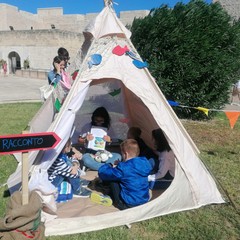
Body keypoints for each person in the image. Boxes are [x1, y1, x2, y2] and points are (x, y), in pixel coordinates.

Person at [98, 139, 152, 210]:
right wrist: (120, 164)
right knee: (128, 178)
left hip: (127, 204)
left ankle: (109, 195)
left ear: (125, 154)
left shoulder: (123, 168)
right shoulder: (144, 163)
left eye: (122, 154)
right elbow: (131, 167)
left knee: (113, 179)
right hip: (143, 201)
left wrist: (109, 165)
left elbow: (102, 173)